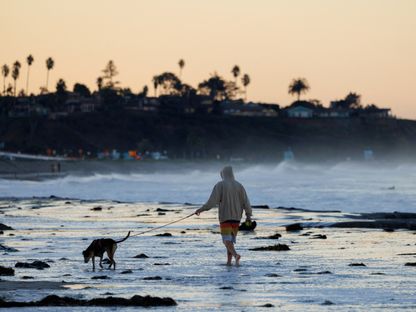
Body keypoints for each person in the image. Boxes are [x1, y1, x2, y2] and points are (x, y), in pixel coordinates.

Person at [195, 166, 252, 266]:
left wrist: (201, 209)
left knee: (226, 240)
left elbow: (212, 202)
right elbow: (246, 202)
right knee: (230, 241)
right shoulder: (239, 186)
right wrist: (248, 216)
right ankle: (229, 262)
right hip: (236, 218)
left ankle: (235, 255)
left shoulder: (220, 185)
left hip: (225, 218)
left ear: (223, 174)